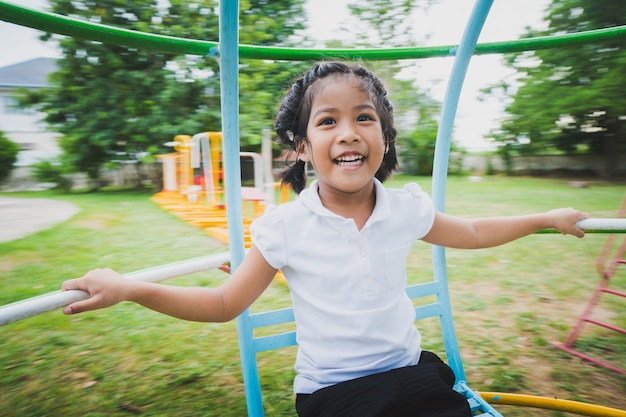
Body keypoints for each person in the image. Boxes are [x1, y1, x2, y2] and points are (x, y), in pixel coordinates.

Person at [61, 61, 588, 417]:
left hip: (411, 377)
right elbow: (223, 303)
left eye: (365, 118)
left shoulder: (405, 208)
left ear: (384, 137)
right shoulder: (285, 227)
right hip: (335, 396)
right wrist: (131, 288)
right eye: (327, 121)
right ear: (303, 146)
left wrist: (545, 217)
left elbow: (472, 231)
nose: (349, 132)